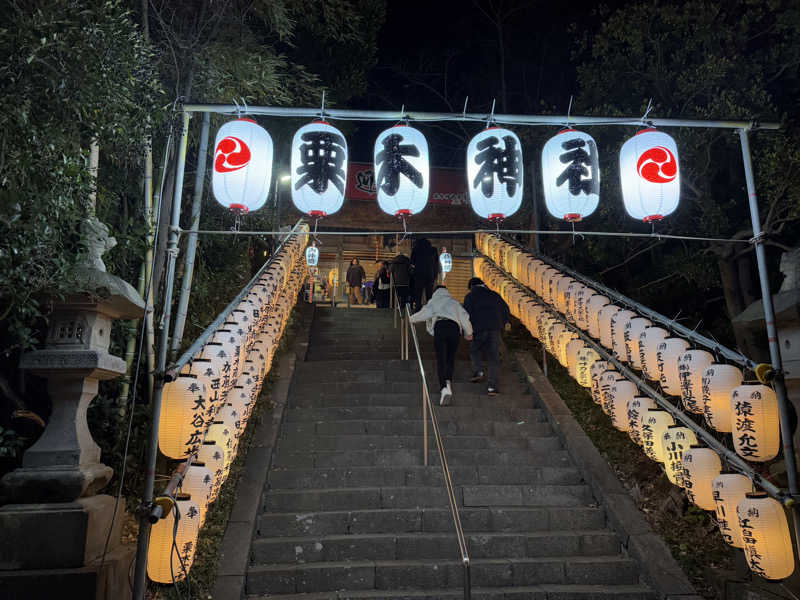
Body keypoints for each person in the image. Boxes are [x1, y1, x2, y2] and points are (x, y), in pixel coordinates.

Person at [409, 285, 473, 406]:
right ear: (447, 292)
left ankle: (444, 388)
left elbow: (424, 314)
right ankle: (448, 381)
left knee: (441, 359)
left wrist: (411, 319)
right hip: (454, 329)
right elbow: (464, 317)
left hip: (441, 327)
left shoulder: (434, 302)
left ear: (435, 292)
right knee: (450, 358)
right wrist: (469, 332)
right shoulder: (454, 302)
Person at [463, 277, 511, 396]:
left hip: (478, 328)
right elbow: (505, 310)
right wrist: (504, 323)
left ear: (472, 287)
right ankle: (492, 387)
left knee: (475, 350)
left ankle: (478, 372)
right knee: (493, 357)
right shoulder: (494, 295)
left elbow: (466, 314)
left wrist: (467, 330)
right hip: (494, 328)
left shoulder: (470, 296)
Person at [410, 237, 440, 311]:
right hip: (430, 274)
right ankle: (430, 310)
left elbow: (412, 262)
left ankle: (418, 309)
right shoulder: (433, 250)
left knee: (418, 293)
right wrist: (435, 275)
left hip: (419, 274)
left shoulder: (416, 249)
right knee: (429, 293)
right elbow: (436, 264)